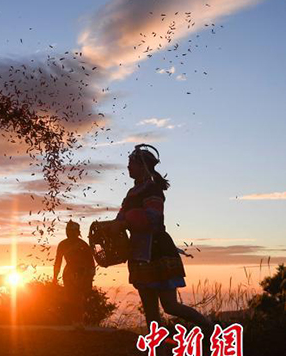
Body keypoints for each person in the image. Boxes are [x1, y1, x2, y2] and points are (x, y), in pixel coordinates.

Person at [110, 144, 212, 336]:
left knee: (170, 306)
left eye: (131, 164)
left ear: (143, 166)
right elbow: (121, 217)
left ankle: (209, 327)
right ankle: (160, 354)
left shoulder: (153, 190)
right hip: (140, 252)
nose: (128, 168)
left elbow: (152, 219)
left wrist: (124, 224)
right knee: (150, 311)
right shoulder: (132, 193)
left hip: (157, 250)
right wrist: (114, 226)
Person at [53, 221, 96, 326]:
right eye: (68, 231)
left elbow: (91, 262)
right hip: (70, 273)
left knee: (78, 298)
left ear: (76, 232)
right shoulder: (63, 244)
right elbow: (58, 262)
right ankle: (75, 322)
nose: (70, 233)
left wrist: (89, 276)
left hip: (82, 274)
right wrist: (55, 277)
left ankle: (79, 322)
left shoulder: (82, 245)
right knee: (71, 298)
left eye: (72, 231)